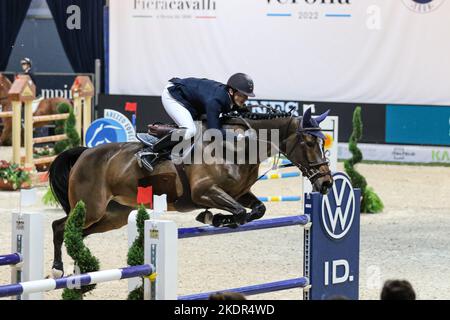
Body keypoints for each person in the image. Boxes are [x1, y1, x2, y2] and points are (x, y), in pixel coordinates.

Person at [139, 73, 255, 171]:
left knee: (198, 128)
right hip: (173, 96)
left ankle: (162, 140)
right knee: (190, 130)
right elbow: (214, 132)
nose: (245, 99)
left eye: (247, 97)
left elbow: (237, 109)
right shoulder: (216, 100)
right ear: (231, 91)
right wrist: (238, 137)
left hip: (191, 101)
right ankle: (148, 152)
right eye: (242, 95)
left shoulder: (227, 97)